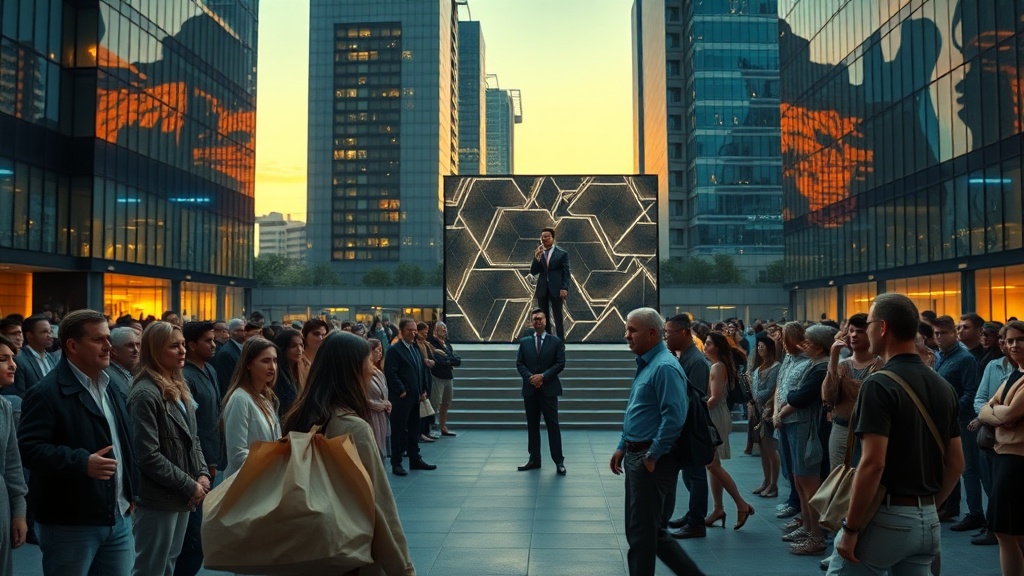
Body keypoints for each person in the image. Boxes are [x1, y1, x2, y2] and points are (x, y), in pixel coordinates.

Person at [828, 293, 964, 575]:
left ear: (882, 328)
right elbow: (956, 463)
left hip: (885, 517)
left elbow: (873, 463)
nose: (865, 330)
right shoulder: (942, 385)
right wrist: (926, 507)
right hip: (926, 519)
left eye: (868, 323)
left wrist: (851, 528)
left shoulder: (878, 384)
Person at [281, 331, 415, 575]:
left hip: (307, 545)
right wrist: (403, 567)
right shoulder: (354, 428)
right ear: (351, 369)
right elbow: (379, 503)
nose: (373, 370)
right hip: (350, 549)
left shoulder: (299, 416)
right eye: (368, 363)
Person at [19, 309, 137, 576]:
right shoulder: (46, 392)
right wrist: (81, 463)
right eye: (99, 340)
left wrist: (131, 491)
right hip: (70, 523)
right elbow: (29, 449)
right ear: (72, 345)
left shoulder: (110, 386)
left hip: (118, 516)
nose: (109, 346)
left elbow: (125, 443)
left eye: (108, 338)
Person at [610, 308, 704, 576]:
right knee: (648, 532)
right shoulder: (650, 364)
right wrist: (622, 445)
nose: (627, 335)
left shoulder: (663, 366)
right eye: (627, 329)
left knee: (642, 535)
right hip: (638, 454)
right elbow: (636, 411)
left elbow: (674, 416)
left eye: (632, 330)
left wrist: (652, 455)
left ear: (652, 333)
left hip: (650, 459)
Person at [127, 321, 210, 576]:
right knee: (151, 568)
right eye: (174, 346)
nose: (183, 350)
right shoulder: (144, 393)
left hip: (181, 494)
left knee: (169, 564)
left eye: (183, 344)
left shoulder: (178, 385)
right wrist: (190, 484)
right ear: (154, 350)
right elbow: (147, 455)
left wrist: (202, 473)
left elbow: (192, 438)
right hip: (157, 497)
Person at [775, 324, 835, 555]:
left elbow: (799, 396)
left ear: (819, 348)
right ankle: (808, 527)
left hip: (807, 427)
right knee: (800, 481)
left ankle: (816, 536)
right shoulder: (814, 364)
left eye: (808, 343)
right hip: (800, 425)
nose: (804, 346)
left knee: (809, 483)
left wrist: (790, 398)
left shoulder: (821, 368)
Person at [176, 322, 224, 576]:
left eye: (214, 340)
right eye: (208, 340)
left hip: (211, 461)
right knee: (192, 540)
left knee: (201, 535)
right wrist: (200, 467)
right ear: (192, 344)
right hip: (196, 465)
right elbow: (189, 429)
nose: (214, 345)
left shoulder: (210, 370)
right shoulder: (186, 377)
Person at [978, 320, 1024, 574]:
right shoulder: (1013, 374)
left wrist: (997, 412)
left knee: (1005, 531)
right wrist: (999, 413)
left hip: (1016, 459)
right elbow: (987, 405)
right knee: (1011, 532)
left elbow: (1007, 412)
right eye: (1010, 340)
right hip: (1004, 455)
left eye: (1020, 339)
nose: (1014, 345)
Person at [932, 314, 983, 528]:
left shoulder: (965, 359)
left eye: (943, 333)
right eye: (936, 333)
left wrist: (951, 412)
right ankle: (951, 507)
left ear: (954, 334)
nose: (939, 337)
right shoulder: (939, 357)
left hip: (962, 420)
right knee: (948, 465)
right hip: (944, 420)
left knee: (968, 468)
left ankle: (976, 514)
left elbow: (971, 392)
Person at [701, 331, 755, 531]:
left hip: (715, 415)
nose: (705, 347)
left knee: (713, 465)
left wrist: (697, 413)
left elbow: (713, 398)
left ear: (718, 347)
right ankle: (718, 509)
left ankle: (741, 504)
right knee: (712, 465)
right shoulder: (721, 365)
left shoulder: (718, 366)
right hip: (718, 414)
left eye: (708, 343)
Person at [664, 314, 711, 540]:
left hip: (692, 427)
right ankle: (693, 514)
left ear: (684, 333)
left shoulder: (696, 361)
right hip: (687, 426)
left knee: (696, 474)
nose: (666, 337)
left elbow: (695, 398)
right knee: (689, 475)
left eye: (669, 333)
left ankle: (696, 521)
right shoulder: (685, 356)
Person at [823, 314, 882, 470]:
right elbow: (828, 396)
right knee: (838, 480)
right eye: (851, 331)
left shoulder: (881, 365)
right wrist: (833, 357)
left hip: (870, 432)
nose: (854, 335)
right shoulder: (843, 365)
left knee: (866, 477)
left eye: (860, 331)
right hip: (841, 429)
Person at [221, 338, 281, 477]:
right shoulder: (239, 399)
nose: (272, 367)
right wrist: (272, 461)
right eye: (265, 361)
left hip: (265, 481)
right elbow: (237, 454)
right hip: (246, 485)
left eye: (275, 361)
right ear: (248, 364)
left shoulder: (265, 398)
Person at [515, 309, 566, 475]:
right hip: (530, 390)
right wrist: (531, 378)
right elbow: (519, 363)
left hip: (548, 389)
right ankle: (534, 459)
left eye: (540, 318)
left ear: (546, 321)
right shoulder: (524, 342)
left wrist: (543, 377)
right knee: (532, 426)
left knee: (553, 426)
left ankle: (559, 461)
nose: (537, 321)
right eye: (534, 319)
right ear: (531, 322)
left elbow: (560, 363)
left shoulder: (556, 341)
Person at [384, 319, 436, 476]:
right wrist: (401, 390)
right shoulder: (395, 350)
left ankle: (415, 459)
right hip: (401, 399)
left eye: (414, 330)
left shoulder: (415, 348)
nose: (413, 333)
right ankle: (397, 463)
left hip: (416, 397)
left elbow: (420, 370)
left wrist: (422, 390)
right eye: (410, 330)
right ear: (401, 331)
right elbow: (391, 372)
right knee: (399, 431)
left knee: (415, 429)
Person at [0, 335, 28, 576]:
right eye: (3, 359)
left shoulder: (5, 407)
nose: (13, 365)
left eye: (12, 358)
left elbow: (12, 466)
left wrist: (19, 512)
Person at [750, 333, 782, 499]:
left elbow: (770, 389)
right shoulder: (758, 367)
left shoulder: (776, 367)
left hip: (768, 411)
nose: (760, 349)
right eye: (758, 346)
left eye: (762, 346)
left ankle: (773, 484)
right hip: (757, 411)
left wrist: (757, 397)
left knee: (770, 449)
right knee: (762, 449)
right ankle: (766, 480)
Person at [530, 227, 571, 339]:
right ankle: (546, 340)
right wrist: (536, 258)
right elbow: (533, 271)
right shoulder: (540, 253)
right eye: (543, 237)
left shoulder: (562, 254)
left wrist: (564, 288)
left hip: (556, 289)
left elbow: (566, 272)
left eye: (547, 237)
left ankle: (560, 342)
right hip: (542, 289)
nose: (545, 239)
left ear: (553, 238)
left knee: (558, 316)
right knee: (544, 316)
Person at [428, 321, 460, 438]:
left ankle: (443, 426)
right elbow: (438, 361)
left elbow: (456, 360)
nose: (444, 331)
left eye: (445, 329)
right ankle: (432, 426)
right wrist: (448, 361)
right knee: (435, 403)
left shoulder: (447, 344)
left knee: (446, 402)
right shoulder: (432, 343)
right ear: (436, 331)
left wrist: (448, 361)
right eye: (442, 329)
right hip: (438, 376)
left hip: (448, 377)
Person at [15, 315, 58, 391]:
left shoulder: (51, 358)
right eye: (44, 332)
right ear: (29, 335)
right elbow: (19, 393)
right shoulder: (19, 360)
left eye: (50, 331)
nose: (50, 335)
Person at [366, 339, 391, 459]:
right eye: (378, 350)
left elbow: (384, 392)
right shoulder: (363, 371)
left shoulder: (377, 369)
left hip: (381, 414)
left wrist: (386, 403)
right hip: (371, 415)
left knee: (381, 452)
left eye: (381, 350)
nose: (380, 353)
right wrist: (375, 404)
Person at [272, 328, 305, 419]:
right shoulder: (276, 373)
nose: (299, 349)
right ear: (283, 348)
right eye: (293, 346)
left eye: (301, 345)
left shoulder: (301, 370)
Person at [212, 318, 246, 397]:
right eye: (242, 330)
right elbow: (227, 382)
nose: (245, 333)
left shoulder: (241, 348)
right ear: (234, 332)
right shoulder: (227, 353)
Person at [106, 326, 142, 402]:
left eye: (138, 344)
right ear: (113, 350)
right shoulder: (109, 378)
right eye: (130, 345)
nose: (136, 350)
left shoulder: (133, 372)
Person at [301, 318, 330, 386]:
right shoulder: (298, 360)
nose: (320, 338)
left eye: (323, 335)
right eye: (316, 334)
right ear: (305, 335)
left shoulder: (326, 359)